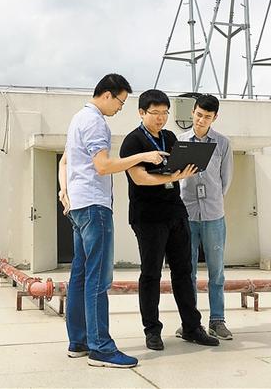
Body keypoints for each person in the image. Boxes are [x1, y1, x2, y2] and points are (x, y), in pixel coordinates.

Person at [58, 74, 168, 369]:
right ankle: (101, 348)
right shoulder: (95, 122)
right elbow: (104, 166)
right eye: (120, 101)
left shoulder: (77, 118)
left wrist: (64, 191)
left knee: (81, 275)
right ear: (107, 94)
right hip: (95, 207)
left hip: (79, 206)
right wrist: (143, 156)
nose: (120, 108)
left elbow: (66, 162)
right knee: (98, 278)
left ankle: (79, 341)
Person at [119, 89, 219, 351]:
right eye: (155, 113)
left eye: (165, 113)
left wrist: (185, 169)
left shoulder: (170, 137)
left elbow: (177, 166)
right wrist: (173, 177)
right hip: (148, 216)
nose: (161, 118)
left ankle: (192, 327)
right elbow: (139, 178)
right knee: (151, 273)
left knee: (184, 272)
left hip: (176, 211)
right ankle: (152, 331)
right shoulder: (132, 142)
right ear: (141, 113)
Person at [176, 94, 234, 340]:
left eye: (207, 117)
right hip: (187, 214)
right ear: (192, 112)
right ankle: (190, 323)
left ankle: (217, 320)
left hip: (213, 215)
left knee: (216, 272)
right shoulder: (179, 141)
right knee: (187, 272)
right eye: (198, 115)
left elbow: (225, 180)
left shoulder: (223, 143)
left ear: (214, 118)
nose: (201, 120)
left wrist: (213, 200)